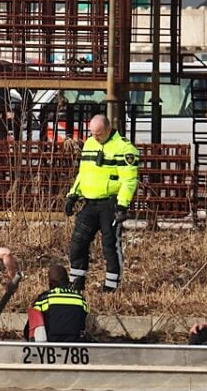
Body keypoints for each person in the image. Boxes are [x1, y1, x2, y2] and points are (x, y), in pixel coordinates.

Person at [64, 114, 139, 293]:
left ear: (107, 129)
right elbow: (84, 173)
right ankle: (76, 282)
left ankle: (111, 286)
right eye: (92, 133)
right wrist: (73, 195)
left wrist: (122, 205)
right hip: (90, 203)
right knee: (78, 242)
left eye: (98, 134)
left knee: (110, 245)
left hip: (110, 204)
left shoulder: (124, 147)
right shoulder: (90, 143)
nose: (95, 137)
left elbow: (129, 180)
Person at [25, 264, 89, 342]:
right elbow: (83, 319)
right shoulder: (80, 299)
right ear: (68, 281)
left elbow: (30, 328)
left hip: (50, 346)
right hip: (76, 345)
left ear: (49, 283)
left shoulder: (43, 299)